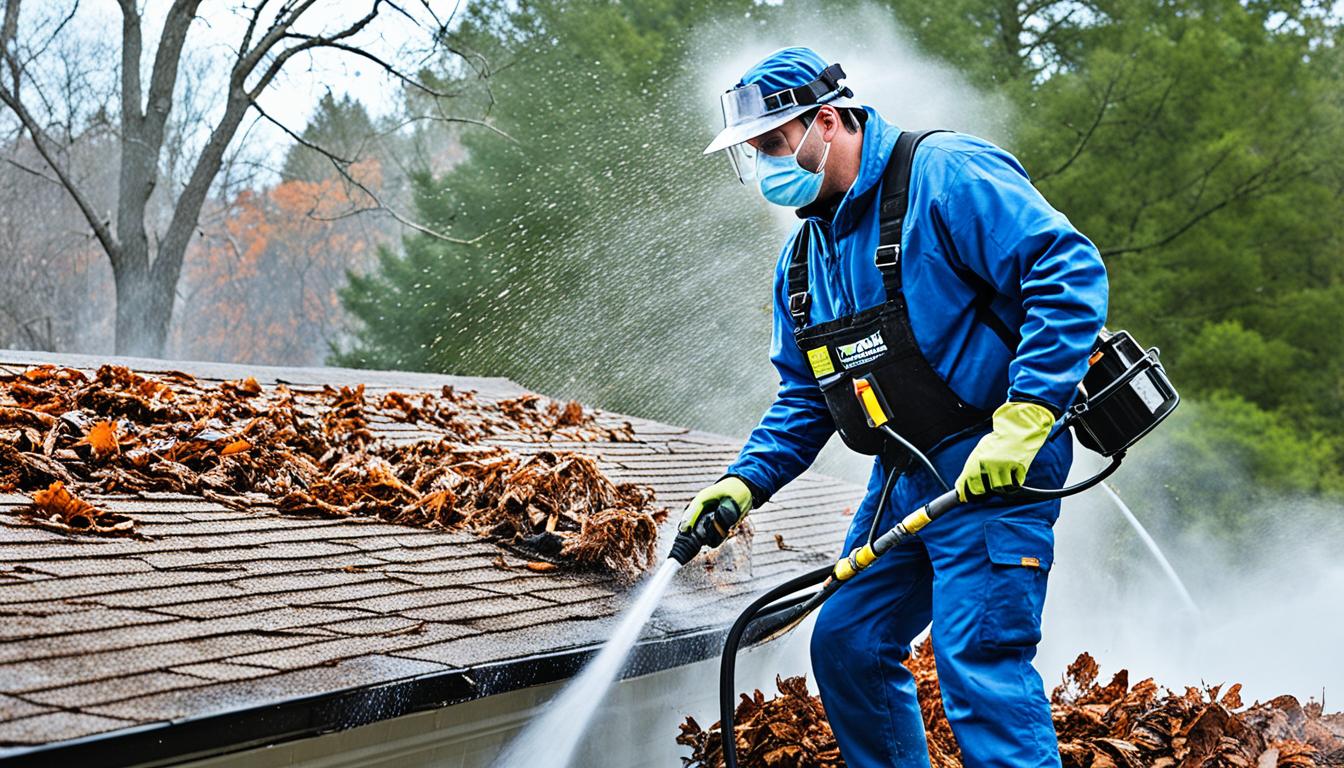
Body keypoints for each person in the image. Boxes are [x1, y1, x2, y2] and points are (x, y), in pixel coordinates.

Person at [681, 47, 1108, 767]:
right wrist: (744, 481)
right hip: (905, 475)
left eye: (772, 145)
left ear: (825, 121)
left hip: (995, 459)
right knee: (848, 642)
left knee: (980, 665)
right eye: (752, 154)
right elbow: (805, 396)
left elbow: (1065, 269)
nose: (764, 167)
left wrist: (1028, 415)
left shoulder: (943, 175)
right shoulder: (802, 262)